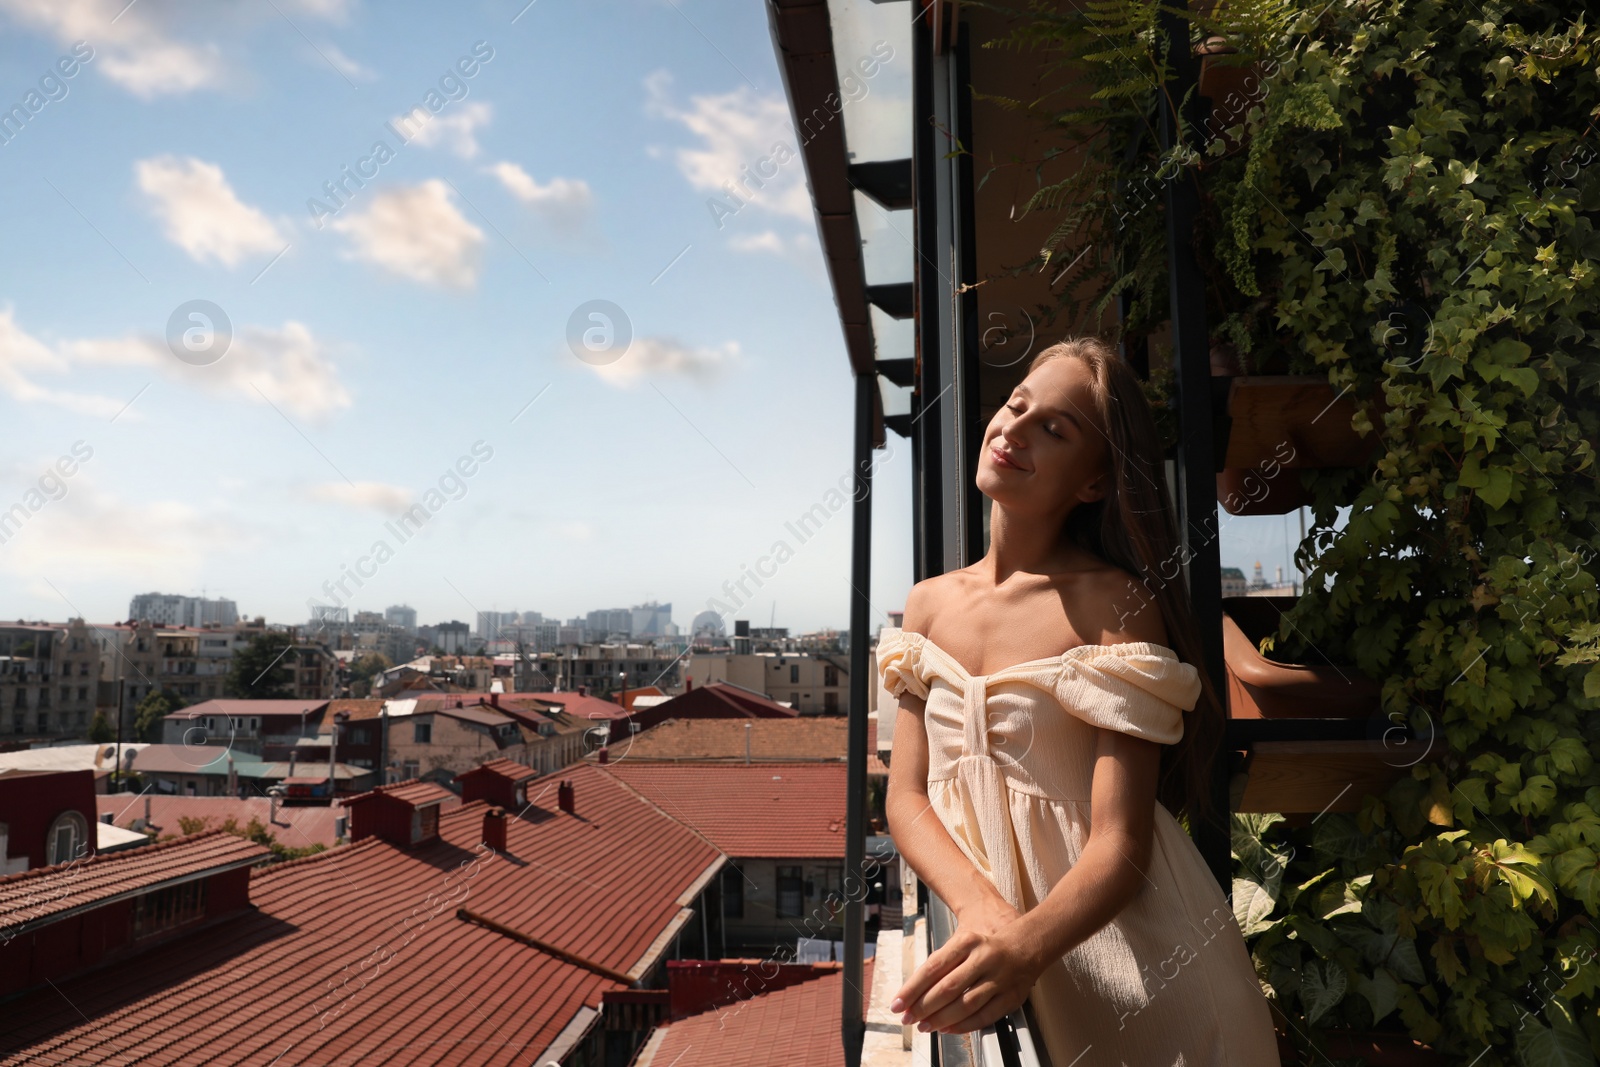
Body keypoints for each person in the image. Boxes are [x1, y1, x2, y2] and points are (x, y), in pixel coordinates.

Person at [881, 337, 1280, 1066]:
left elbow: (1123, 845)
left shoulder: (1114, 604)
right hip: (1011, 965)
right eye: (1016, 405)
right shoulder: (926, 606)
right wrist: (986, 916)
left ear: (1094, 483)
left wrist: (1024, 943)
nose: (1014, 429)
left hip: (1147, 976)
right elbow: (906, 799)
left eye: (1054, 429)